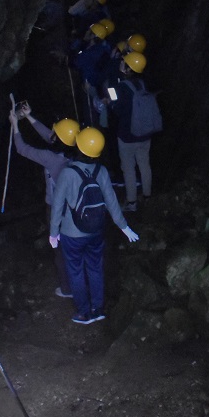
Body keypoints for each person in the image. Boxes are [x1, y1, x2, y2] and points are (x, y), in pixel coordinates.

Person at [49, 127, 139, 324]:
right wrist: (124, 227)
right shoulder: (102, 171)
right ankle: (98, 309)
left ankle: (84, 312)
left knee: (76, 271)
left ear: (79, 147)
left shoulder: (67, 173)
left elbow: (57, 205)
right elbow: (112, 201)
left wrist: (53, 233)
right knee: (95, 269)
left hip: (72, 234)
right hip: (96, 231)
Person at [9, 101, 78, 299]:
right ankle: (81, 281)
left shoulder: (50, 158)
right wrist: (29, 117)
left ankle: (68, 289)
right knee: (75, 245)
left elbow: (22, 149)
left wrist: (15, 124)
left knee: (60, 248)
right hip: (76, 205)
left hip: (57, 208)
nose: (51, 133)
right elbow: (52, 137)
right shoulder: (76, 150)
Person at [108, 52, 155, 213]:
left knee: (128, 168)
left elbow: (117, 109)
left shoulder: (122, 87)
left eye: (124, 62)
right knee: (144, 164)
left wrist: (111, 102)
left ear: (129, 68)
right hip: (145, 134)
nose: (122, 63)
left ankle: (132, 202)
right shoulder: (142, 84)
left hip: (127, 136)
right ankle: (147, 197)